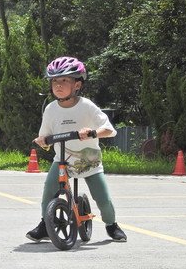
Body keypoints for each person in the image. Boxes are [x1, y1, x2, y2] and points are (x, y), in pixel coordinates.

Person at [26, 56, 127, 242]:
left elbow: (110, 130)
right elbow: (45, 137)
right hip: (63, 160)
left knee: (102, 199)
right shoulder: (50, 109)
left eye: (64, 80)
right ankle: (45, 225)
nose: (58, 85)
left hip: (89, 161)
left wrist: (92, 133)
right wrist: (42, 141)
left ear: (77, 85)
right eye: (55, 80)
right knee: (48, 191)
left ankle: (112, 225)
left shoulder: (86, 106)